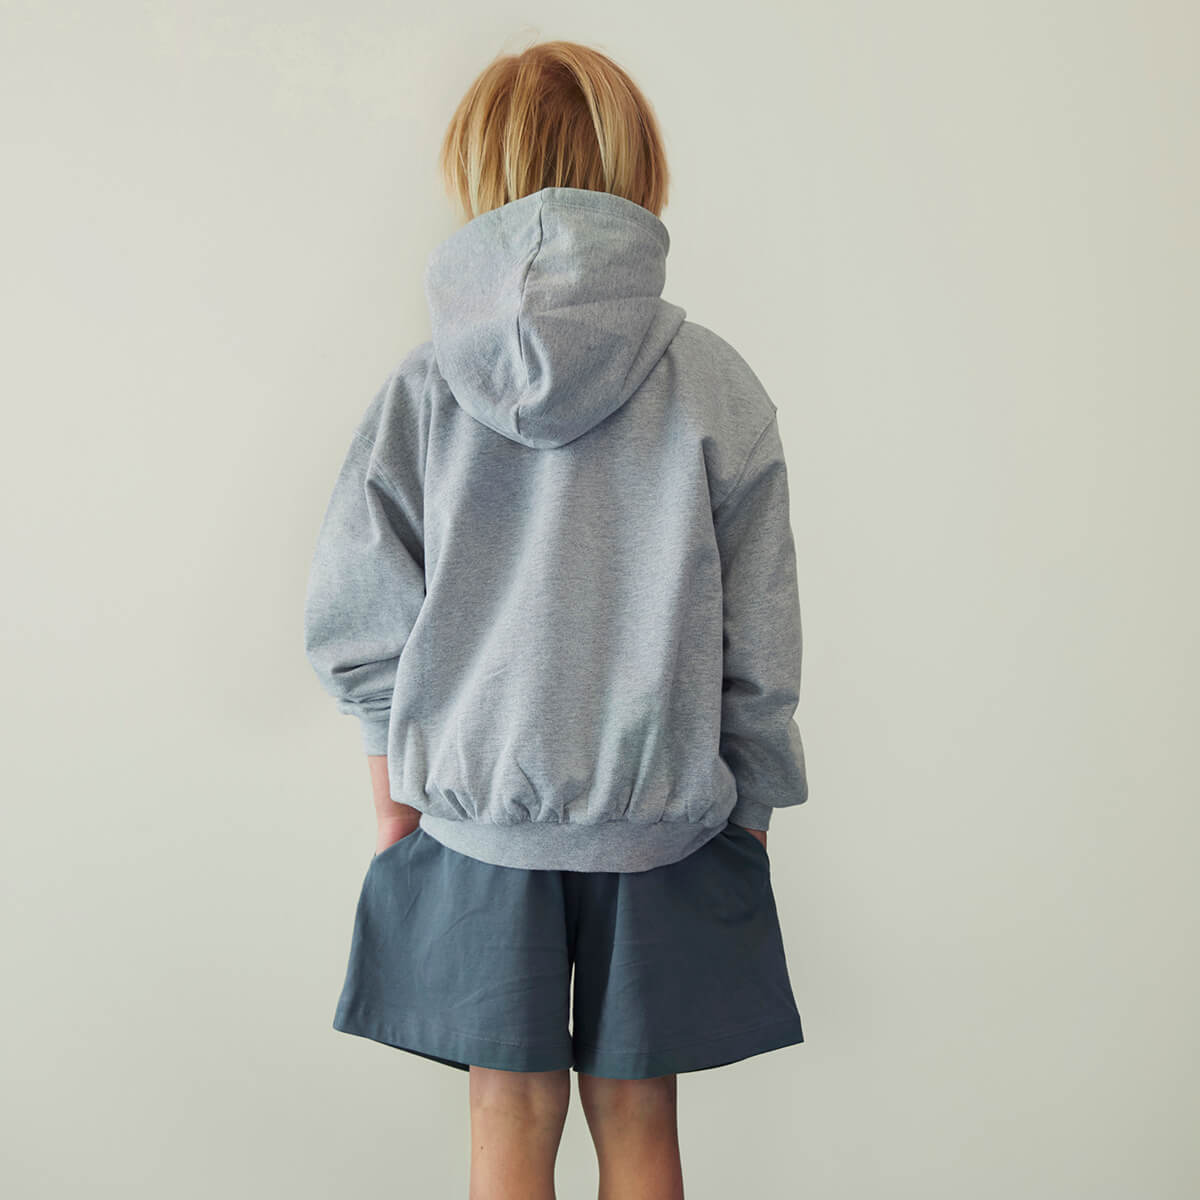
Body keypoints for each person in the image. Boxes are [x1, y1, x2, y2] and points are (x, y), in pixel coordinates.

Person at [303, 38, 809, 1200]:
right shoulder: (714, 383)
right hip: (666, 823)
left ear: (477, 172)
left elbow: (359, 617)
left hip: (475, 824)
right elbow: (762, 640)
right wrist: (753, 804)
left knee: (505, 1113)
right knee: (639, 1119)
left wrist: (395, 799)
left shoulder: (424, 389)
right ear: (641, 170)